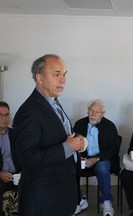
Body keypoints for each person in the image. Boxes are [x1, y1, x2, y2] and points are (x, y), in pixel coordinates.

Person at [13, 54, 86, 216]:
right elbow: (28, 158)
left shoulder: (53, 103)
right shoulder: (28, 112)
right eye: (57, 74)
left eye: (65, 74)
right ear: (39, 78)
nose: (63, 80)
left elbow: (57, 135)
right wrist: (68, 147)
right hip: (43, 200)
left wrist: (78, 142)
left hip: (61, 195)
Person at [73, 99, 120, 216]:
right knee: (69, 166)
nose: (93, 114)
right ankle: (79, 199)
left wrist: (96, 159)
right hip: (84, 159)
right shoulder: (80, 124)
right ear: (88, 111)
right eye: (91, 111)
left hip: (102, 159)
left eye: (97, 112)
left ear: (102, 114)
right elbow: (74, 144)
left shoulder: (109, 126)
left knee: (102, 167)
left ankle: (106, 202)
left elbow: (113, 150)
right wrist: (80, 157)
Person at [0, 101, 21, 216]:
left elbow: (23, 155)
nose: (4, 118)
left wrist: (24, 171)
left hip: (17, 175)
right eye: (0, 115)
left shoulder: (15, 134)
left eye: (7, 115)